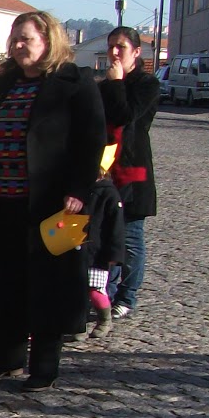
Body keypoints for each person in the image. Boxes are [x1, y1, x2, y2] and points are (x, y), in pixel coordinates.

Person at [0, 10, 106, 389]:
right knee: (5, 282)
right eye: (14, 38)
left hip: (52, 204)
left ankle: (44, 367)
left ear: (48, 40)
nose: (17, 45)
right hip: (4, 201)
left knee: (49, 286)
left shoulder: (75, 82)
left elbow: (91, 139)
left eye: (25, 38)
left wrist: (78, 190)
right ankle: (5, 359)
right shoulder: (3, 84)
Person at [98, 25, 158, 318]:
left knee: (131, 239)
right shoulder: (106, 85)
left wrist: (117, 83)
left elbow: (126, 115)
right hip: (105, 170)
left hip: (133, 171)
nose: (113, 52)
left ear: (136, 52)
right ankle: (104, 295)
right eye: (110, 46)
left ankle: (127, 296)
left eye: (120, 47)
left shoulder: (146, 84)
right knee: (104, 236)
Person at [84, 143, 127, 338]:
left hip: (98, 252)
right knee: (76, 292)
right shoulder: (80, 190)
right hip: (79, 248)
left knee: (95, 290)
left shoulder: (109, 193)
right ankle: (79, 326)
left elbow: (116, 228)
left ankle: (104, 319)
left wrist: (115, 254)